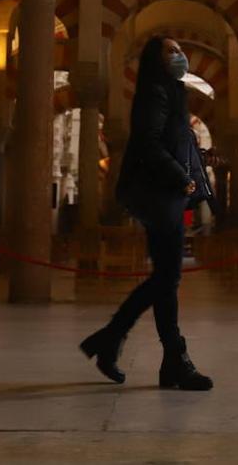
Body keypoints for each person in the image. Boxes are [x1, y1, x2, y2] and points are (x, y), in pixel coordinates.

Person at [79, 36, 214, 391]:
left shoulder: (171, 92)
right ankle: (152, 352)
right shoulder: (156, 92)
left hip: (167, 194)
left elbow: (172, 144)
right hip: (161, 195)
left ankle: (151, 353)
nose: (180, 55)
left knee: (166, 280)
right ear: (156, 60)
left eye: (181, 50)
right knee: (167, 279)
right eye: (171, 51)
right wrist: (182, 178)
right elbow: (149, 143)